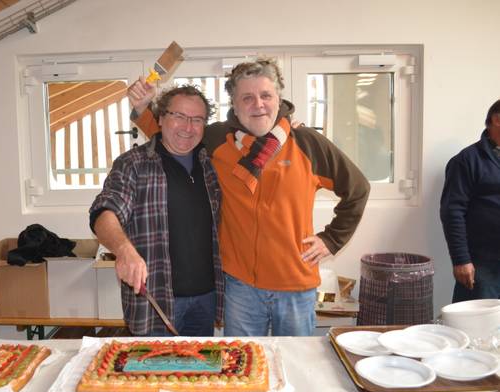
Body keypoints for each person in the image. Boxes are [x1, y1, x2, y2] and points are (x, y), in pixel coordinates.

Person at [129, 59, 370, 336]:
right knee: (242, 367)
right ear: (234, 104)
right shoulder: (217, 140)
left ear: (278, 98)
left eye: (266, 95)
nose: (258, 104)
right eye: (248, 97)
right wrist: (142, 107)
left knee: (294, 366)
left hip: (295, 286)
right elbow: (174, 137)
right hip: (240, 286)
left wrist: (331, 239)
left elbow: (358, 189)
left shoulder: (306, 143)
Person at [89, 85, 223, 336]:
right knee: (154, 374)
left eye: (197, 119)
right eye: (179, 116)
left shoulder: (211, 165)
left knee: (198, 374)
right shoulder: (133, 164)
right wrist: (123, 250)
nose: (188, 127)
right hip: (155, 301)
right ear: (160, 118)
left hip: (206, 299)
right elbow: (104, 211)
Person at [440, 99, 500, 302]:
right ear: (497, 120)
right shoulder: (467, 161)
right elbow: (452, 212)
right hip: (483, 266)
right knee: (477, 328)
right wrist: (461, 259)